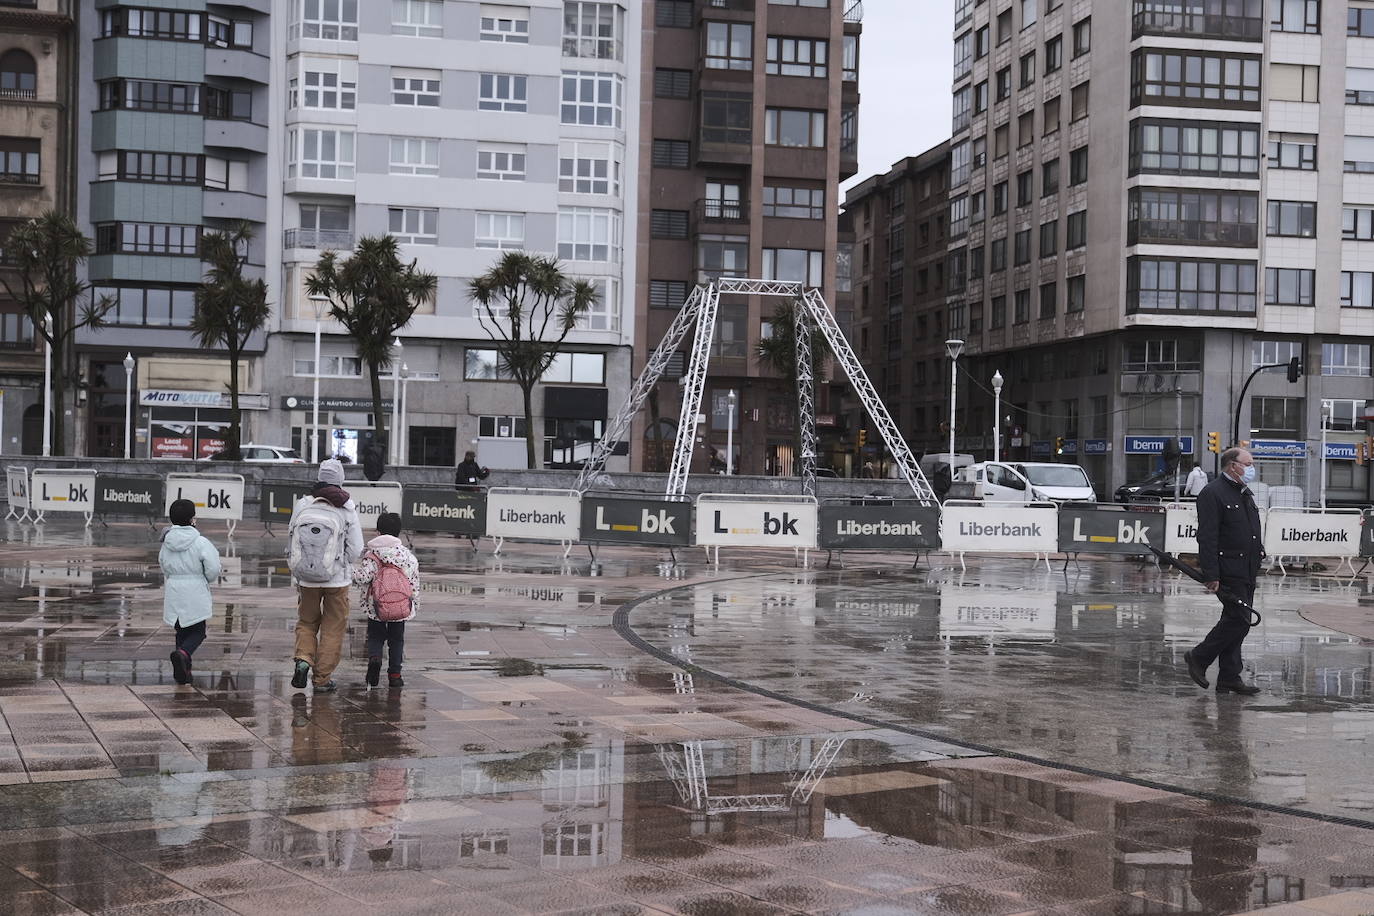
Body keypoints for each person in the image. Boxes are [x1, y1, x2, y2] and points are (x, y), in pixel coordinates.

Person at [1183, 446, 1263, 696]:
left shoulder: (1243, 492)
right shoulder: (1212, 493)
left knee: (1237, 622)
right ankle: (1198, 656)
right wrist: (1211, 574)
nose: (1251, 468)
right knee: (1238, 620)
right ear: (1232, 465)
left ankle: (1229, 677)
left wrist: (1258, 551)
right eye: (1247, 464)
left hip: (1247, 568)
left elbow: (1249, 529)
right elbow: (1207, 536)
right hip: (1228, 568)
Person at [287, 458, 363, 693]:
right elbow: (357, 548)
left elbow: (291, 536)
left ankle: (303, 660)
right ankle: (321, 680)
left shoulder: (304, 503)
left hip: (306, 578)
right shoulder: (347, 506)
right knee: (333, 627)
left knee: (307, 622)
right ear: (340, 479)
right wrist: (341, 563)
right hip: (337, 580)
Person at [352, 512, 419, 689]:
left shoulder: (372, 554)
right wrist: (414, 605)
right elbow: (413, 583)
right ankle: (395, 675)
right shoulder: (407, 556)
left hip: (376, 607)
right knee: (397, 641)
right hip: (400, 607)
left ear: (378, 532)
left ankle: (375, 659)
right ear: (398, 533)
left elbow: (363, 578)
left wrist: (349, 571)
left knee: (375, 638)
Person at [160, 498, 222, 686]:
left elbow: (163, 565)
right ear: (192, 518)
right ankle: (184, 655)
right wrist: (206, 578)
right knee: (198, 631)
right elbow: (213, 568)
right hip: (194, 590)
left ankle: (184, 671)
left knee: (181, 630)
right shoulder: (201, 541)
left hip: (174, 589)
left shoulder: (166, 541)